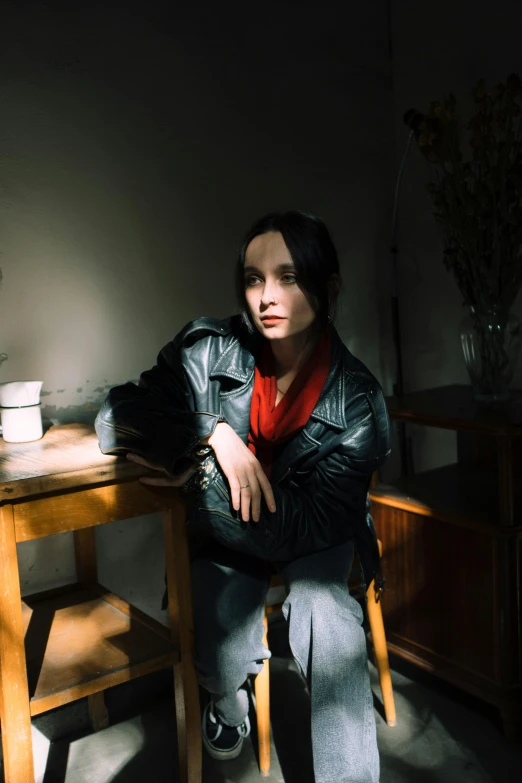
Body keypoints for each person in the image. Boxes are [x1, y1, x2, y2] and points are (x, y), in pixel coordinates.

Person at [95, 211, 391, 783]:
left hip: (312, 529)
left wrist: (203, 485)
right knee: (223, 645)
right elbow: (115, 417)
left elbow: (302, 527)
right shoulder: (207, 350)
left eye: (288, 276)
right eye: (254, 279)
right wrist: (210, 434)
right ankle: (226, 699)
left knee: (327, 616)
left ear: (327, 288)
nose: (267, 297)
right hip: (234, 528)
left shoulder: (358, 404)